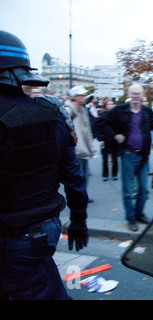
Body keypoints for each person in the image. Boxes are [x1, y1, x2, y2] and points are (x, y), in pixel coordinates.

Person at [0, 30, 88, 300]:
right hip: (41, 231)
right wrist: (79, 220)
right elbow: (73, 174)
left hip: (12, 234)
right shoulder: (52, 112)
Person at [96, 84, 153, 231]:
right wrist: (114, 135)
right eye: (133, 93)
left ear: (142, 94)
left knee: (144, 189)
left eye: (138, 93)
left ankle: (139, 214)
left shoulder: (146, 111)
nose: (136, 96)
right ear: (129, 94)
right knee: (128, 190)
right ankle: (131, 218)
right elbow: (101, 122)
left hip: (143, 155)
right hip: (128, 154)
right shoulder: (120, 110)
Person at [65, 85, 95, 203]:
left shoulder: (83, 109)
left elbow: (87, 130)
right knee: (77, 176)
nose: (85, 97)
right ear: (75, 97)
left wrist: (91, 147)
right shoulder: (69, 109)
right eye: (82, 95)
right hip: (75, 150)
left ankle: (82, 196)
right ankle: (77, 198)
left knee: (83, 176)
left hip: (83, 149)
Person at [96, 98, 119, 181]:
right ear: (105, 106)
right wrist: (100, 139)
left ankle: (114, 174)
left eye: (111, 104)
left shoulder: (116, 115)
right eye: (109, 104)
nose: (110, 106)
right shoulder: (102, 116)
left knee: (115, 158)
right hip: (105, 139)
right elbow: (98, 128)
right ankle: (105, 174)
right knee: (105, 159)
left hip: (114, 139)